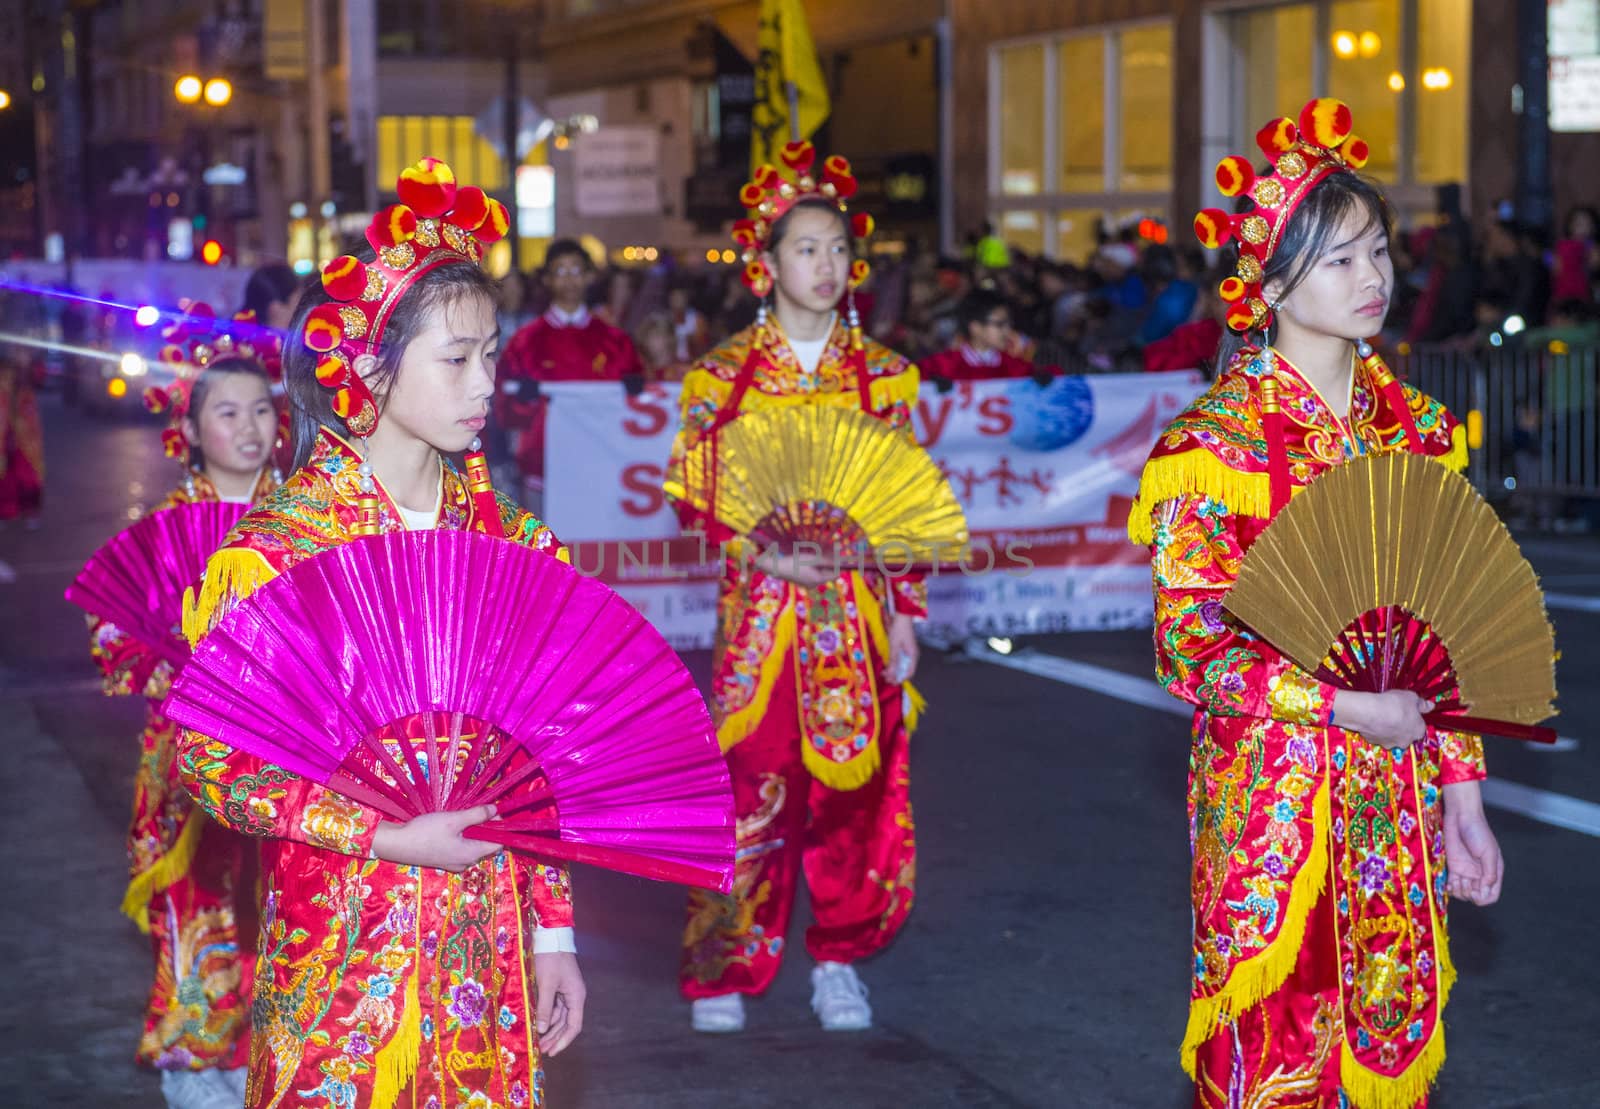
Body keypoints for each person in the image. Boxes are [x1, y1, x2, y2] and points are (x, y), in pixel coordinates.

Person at [176, 158, 585, 1109]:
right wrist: (392, 835)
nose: (484, 383)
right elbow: (213, 762)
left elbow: (543, 757)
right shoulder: (282, 552)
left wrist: (555, 936)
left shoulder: (516, 544)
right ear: (368, 363)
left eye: (492, 355)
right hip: (336, 948)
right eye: (456, 358)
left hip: (486, 950)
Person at [1131, 99, 1503, 1109]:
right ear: (1272, 280)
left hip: (1396, 805)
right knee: (1265, 1071)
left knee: (1389, 1059)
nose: (1373, 277)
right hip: (1271, 803)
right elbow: (1187, 646)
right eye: (1339, 258)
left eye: (1377, 250)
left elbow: (1449, 631)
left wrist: (1463, 796)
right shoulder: (1214, 444)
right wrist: (1337, 705)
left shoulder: (1420, 430)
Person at [663, 142, 925, 1036]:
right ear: (765, 265)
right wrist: (766, 556)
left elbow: (903, 507)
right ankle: (725, 960)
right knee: (753, 787)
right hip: (764, 619)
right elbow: (695, 496)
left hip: (855, 616)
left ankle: (839, 961)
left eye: (838, 251)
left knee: (853, 802)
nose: (826, 265)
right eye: (806, 248)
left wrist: (906, 617)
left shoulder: (886, 380)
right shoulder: (721, 379)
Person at [94, 312, 282, 1109]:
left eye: (264, 408)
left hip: (286, 752)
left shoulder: (307, 520)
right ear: (192, 427)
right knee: (199, 900)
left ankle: (266, 1053)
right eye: (228, 411)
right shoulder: (166, 530)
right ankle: (195, 1058)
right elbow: (115, 636)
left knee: (277, 902)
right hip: (193, 751)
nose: (250, 426)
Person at [496, 240, 645, 504]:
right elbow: (504, 408)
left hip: (603, 464)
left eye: (575, 271)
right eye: (560, 272)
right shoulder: (525, 341)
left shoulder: (614, 341)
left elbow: (638, 409)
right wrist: (524, 400)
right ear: (547, 280)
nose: (569, 280)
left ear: (589, 276)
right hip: (542, 469)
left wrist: (638, 389)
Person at [920, 289, 1039, 385]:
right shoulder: (940, 367)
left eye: (1008, 323)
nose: (1007, 331)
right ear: (975, 327)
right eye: (999, 324)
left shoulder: (1017, 369)